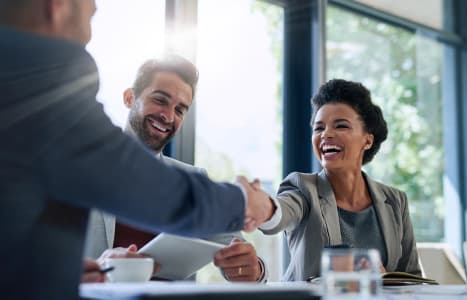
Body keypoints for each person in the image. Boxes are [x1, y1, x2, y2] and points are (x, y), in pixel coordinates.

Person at [0, 1, 274, 299]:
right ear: (59, 6)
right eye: (90, 13)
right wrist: (244, 201)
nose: (168, 116)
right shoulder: (45, 79)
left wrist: (67, 272)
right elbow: (143, 186)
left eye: (180, 109)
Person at [83, 58, 267, 283]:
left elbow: (236, 250)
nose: (168, 116)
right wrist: (102, 266)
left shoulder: (194, 180)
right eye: (160, 100)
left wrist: (253, 269)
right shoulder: (83, 165)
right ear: (130, 98)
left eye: (180, 110)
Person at [260, 79, 421, 281]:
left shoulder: (396, 201)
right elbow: (280, 214)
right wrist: (261, 207)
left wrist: (382, 279)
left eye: (341, 126)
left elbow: (412, 278)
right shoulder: (302, 188)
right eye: (319, 128)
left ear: (368, 140)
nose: (326, 134)